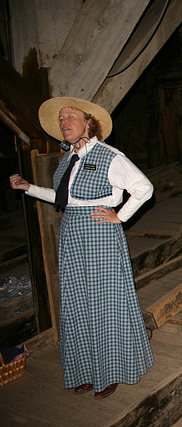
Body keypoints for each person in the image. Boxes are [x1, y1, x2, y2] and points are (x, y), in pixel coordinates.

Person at [9, 97, 154, 399]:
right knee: (76, 302)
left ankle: (112, 369)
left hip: (99, 233)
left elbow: (144, 188)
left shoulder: (109, 155)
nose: (64, 122)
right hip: (72, 232)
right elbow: (66, 199)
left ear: (89, 122)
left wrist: (119, 216)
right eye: (61, 118)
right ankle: (86, 368)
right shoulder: (68, 158)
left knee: (104, 303)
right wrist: (29, 187)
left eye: (70, 116)